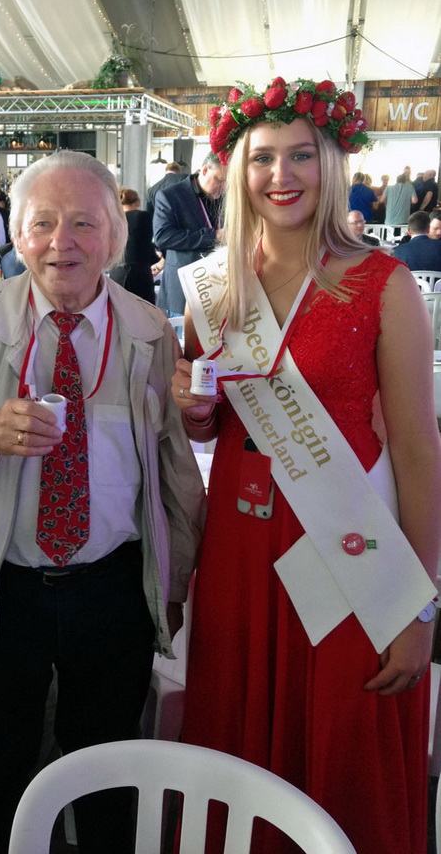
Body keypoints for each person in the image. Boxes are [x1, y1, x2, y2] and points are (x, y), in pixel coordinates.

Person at [0, 150, 205, 854]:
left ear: (116, 237)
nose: (64, 241)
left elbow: (175, 472)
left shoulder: (148, 332)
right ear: (15, 236)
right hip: (2, 588)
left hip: (113, 587)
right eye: (44, 222)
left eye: (85, 222)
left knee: (110, 774)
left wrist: (173, 583)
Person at [172, 76, 440, 854]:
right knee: (236, 731)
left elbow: (421, 451)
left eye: (300, 156)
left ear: (331, 164)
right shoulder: (213, 290)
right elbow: (214, 411)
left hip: (344, 544)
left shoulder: (382, 286)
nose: (281, 176)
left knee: (341, 728)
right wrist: (197, 410)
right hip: (238, 549)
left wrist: (419, 606)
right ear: (235, 170)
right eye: (262, 158)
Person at [152, 151, 225, 316]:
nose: (224, 186)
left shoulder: (226, 198)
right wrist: (214, 236)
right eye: (220, 180)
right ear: (205, 170)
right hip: (184, 289)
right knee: (183, 340)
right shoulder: (170, 195)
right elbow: (163, 236)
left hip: (219, 287)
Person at [108, 187, 158, 303]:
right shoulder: (143, 216)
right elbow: (146, 243)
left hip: (116, 271)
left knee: (118, 311)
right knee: (144, 312)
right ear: (137, 202)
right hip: (139, 272)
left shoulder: (113, 219)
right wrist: (156, 260)